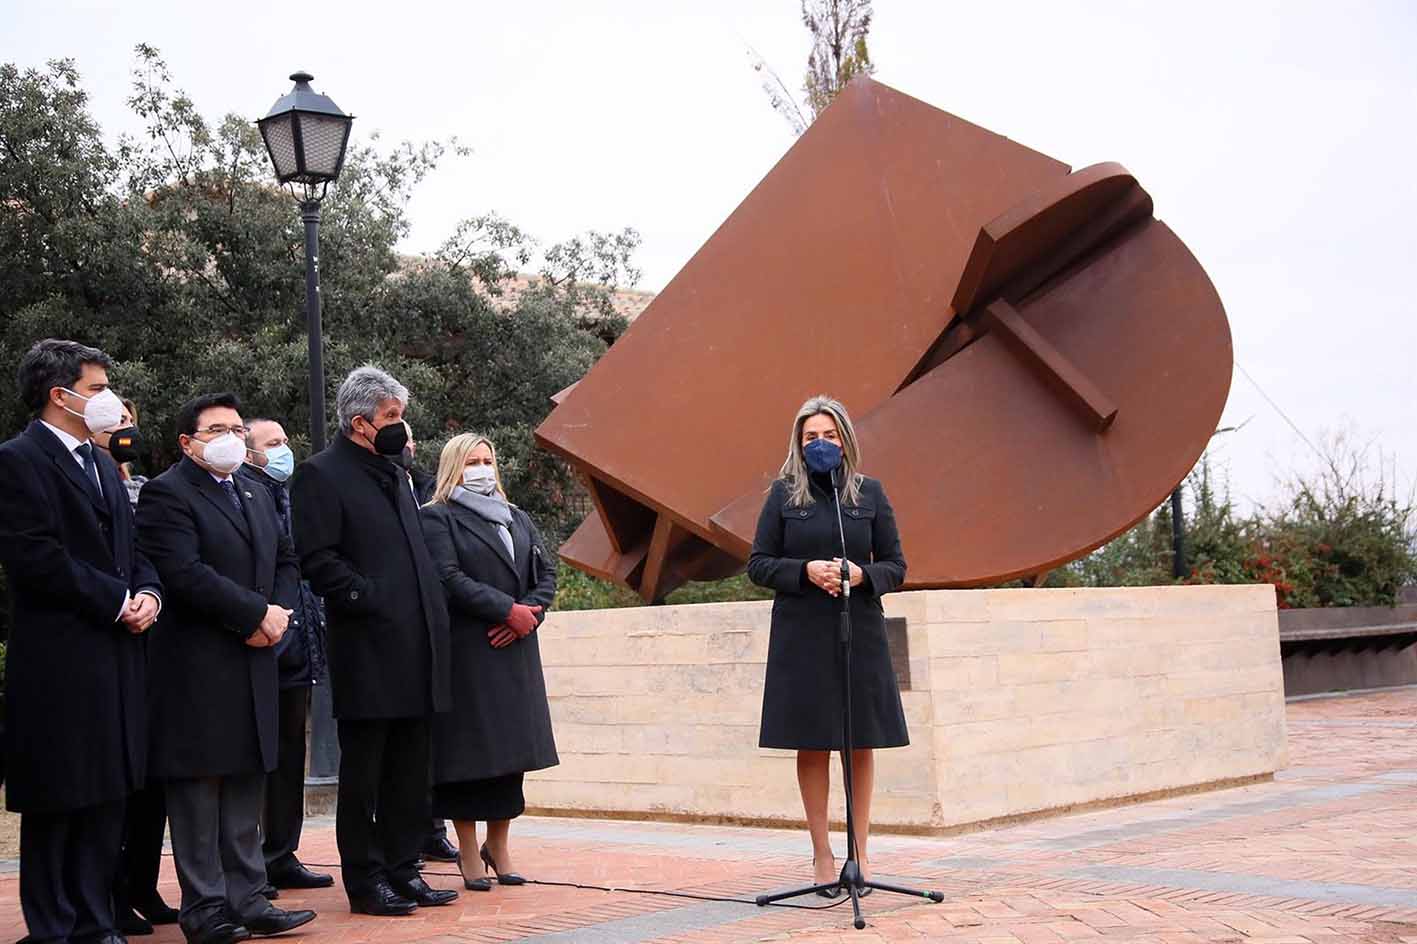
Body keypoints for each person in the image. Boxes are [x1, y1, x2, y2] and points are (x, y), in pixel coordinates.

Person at [136, 393, 317, 944]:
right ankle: (205, 908)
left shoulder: (256, 492)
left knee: (245, 779)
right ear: (187, 442)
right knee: (198, 788)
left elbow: (287, 558)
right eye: (217, 428)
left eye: (238, 428)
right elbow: (184, 573)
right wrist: (253, 613)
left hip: (257, 656)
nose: (232, 438)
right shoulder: (166, 495)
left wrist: (278, 613)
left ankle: (250, 897)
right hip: (198, 664)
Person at [0, 338, 163, 944]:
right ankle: (54, 928)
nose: (108, 401)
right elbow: (36, 557)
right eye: (96, 389)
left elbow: (134, 548)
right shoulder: (18, 460)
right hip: (61, 661)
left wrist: (149, 594)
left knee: (108, 795)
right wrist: (117, 601)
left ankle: (98, 923)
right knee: (60, 798)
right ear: (59, 395)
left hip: (118, 658)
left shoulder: (100, 463)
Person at [290, 365, 457, 915]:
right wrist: (371, 598)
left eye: (400, 415)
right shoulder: (322, 474)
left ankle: (404, 868)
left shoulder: (397, 472)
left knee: (412, 768)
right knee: (367, 772)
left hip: (419, 648)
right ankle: (366, 880)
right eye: (391, 417)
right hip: (368, 649)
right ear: (360, 422)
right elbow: (317, 559)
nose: (400, 426)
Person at [746, 395, 908, 895]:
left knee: (859, 741)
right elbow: (758, 564)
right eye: (811, 437)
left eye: (830, 435)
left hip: (858, 629)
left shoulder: (869, 495)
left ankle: (860, 854)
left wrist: (862, 575)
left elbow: (897, 567)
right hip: (802, 636)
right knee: (813, 742)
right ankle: (821, 854)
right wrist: (804, 571)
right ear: (799, 444)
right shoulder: (782, 497)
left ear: (846, 441)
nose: (821, 444)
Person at [420, 433, 558, 890]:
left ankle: (498, 845)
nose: (482, 469)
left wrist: (528, 616)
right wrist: (505, 610)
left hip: (515, 650)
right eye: (472, 462)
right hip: (471, 652)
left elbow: (546, 574)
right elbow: (447, 576)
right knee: (470, 756)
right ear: (453, 468)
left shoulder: (516, 517)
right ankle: (466, 849)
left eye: (487, 460)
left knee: (511, 756)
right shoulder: (438, 518)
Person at [94, 397, 179, 936]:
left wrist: (150, 593)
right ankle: (113, 892)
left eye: (131, 421)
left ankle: (143, 884)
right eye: (116, 422)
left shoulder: (145, 488)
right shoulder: (85, 482)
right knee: (119, 785)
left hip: (157, 647)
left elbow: (153, 558)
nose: (126, 430)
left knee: (154, 783)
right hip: (110, 641)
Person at [237, 419, 333, 891]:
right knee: (259, 760)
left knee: (290, 756)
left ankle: (282, 852)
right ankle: (252, 861)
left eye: (285, 442)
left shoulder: (288, 497)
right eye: (273, 444)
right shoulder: (243, 495)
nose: (284, 451)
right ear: (249, 451)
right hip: (261, 648)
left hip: (299, 650)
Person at [399, 430, 458, 865]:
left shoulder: (426, 490)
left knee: (432, 741)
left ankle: (433, 827)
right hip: (402, 626)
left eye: (411, 435)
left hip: (441, 626)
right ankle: (407, 833)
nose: (407, 442)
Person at [94, 396, 148, 508]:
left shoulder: (141, 487)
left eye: (132, 422)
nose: (130, 428)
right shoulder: (86, 483)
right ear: (92, 431)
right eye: (121, 421)